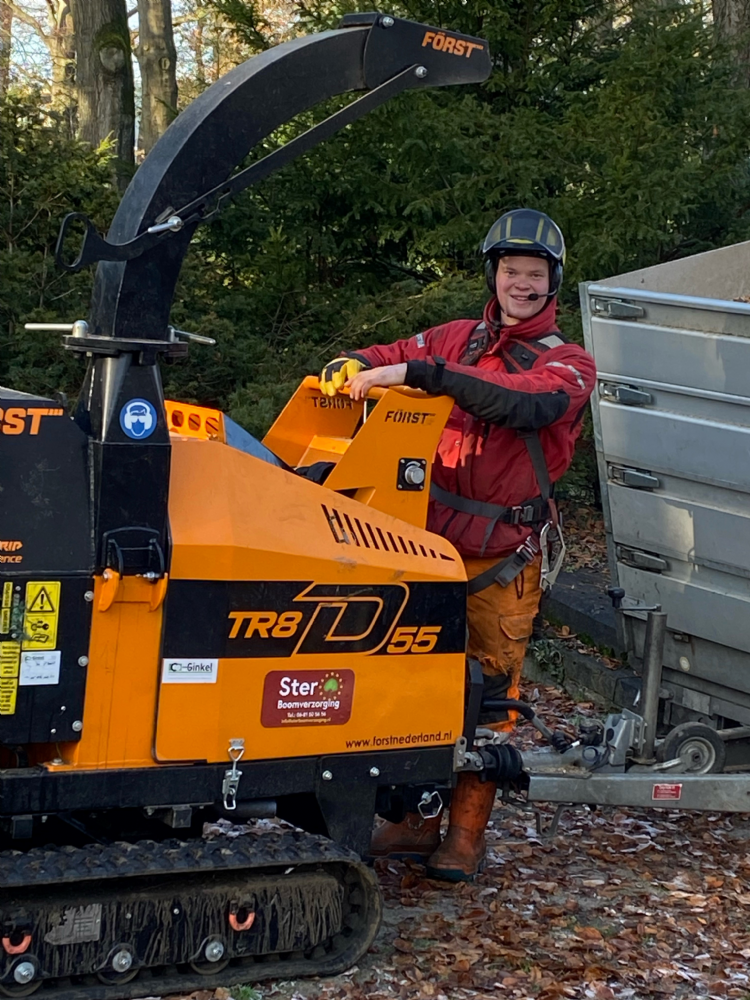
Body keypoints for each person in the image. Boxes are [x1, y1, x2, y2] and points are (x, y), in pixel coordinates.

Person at [319, 208, 596, 881]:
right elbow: (391, 356)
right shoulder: (458, 338)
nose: (521, 285)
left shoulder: (568, 363)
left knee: (490, 701)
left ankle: (465, 835)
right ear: (494, 275)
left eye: (534, 274)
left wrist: (427, 375)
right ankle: (416, 821)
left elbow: (519, 403)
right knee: (417, 691)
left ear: (551, 282)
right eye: (511, 271)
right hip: (421, 554)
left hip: (498, 563)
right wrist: (355, 363)